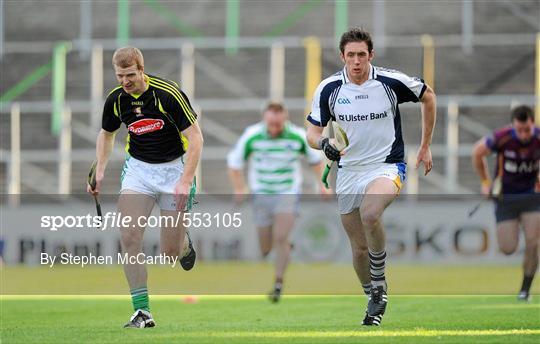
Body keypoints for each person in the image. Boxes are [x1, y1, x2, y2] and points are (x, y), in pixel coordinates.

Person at [305, 28, 436, 326]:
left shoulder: (390, 82)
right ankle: (373, 295)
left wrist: (426, 145)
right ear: (342, 57)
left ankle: (379, 282)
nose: (356, 61)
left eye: (361, 55)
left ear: (371, 55)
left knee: (372, 213)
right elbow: (312, 133)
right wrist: (324, 144)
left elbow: (429, 97)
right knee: (359, 249)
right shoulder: (329, 89)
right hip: (349, 172)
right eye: (350, 55)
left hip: (386, 166)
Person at [87, 46, 204, 328]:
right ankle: (142, 311)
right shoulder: (116, 100)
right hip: (138, 171)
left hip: (174, 170)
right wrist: (100, 168)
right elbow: (106, 134)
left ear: (141, 69)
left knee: (169, 254)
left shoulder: (167, 94)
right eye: (119, 76)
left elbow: (196, 138)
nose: (124, 81)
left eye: (129, 75)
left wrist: (186, 180)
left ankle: (183, 243)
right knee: (129, 236)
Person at [227, 102, 329, 302]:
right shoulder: (252, 135)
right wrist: (239, 188)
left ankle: (278, 284)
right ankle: (285, 249)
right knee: (265, 249)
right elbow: (234, 162)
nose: (274, 129)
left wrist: (322, 185)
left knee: (281, 237)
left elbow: (316, 161)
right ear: (265, 119)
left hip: (287, 193)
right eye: (271, 124)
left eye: (278, 125)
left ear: (285, 120)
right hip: (261, 194)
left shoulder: (297, 135)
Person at [472, 105, 539, 301]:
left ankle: (524, 290)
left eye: (527, 129)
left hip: (532, 197)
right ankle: (517, 228)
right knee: (508, 248)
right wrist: (485, 183)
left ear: (532, 124)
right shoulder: (502, 137)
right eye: (520, 129)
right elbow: (477, 152)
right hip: (506, 198)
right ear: (513, 125)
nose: (524, 134)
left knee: (533, 243)